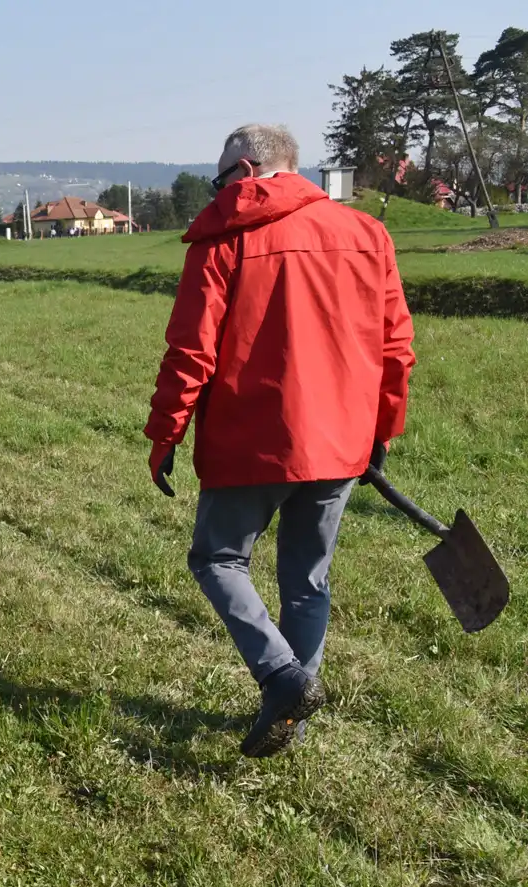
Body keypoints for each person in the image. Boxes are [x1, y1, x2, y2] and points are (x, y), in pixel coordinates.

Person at [144, 124, 416, 758]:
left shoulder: (225, 238)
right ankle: (294, 705)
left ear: (245, 170)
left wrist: (165, 436)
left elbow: (191, 352)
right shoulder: (365, 234)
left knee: (217, 560)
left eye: (219, 181)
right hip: (340, 443)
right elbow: (396, 347)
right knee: (307, 581)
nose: (218, 194)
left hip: (252, 443)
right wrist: (382, 428)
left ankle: (283, 679)